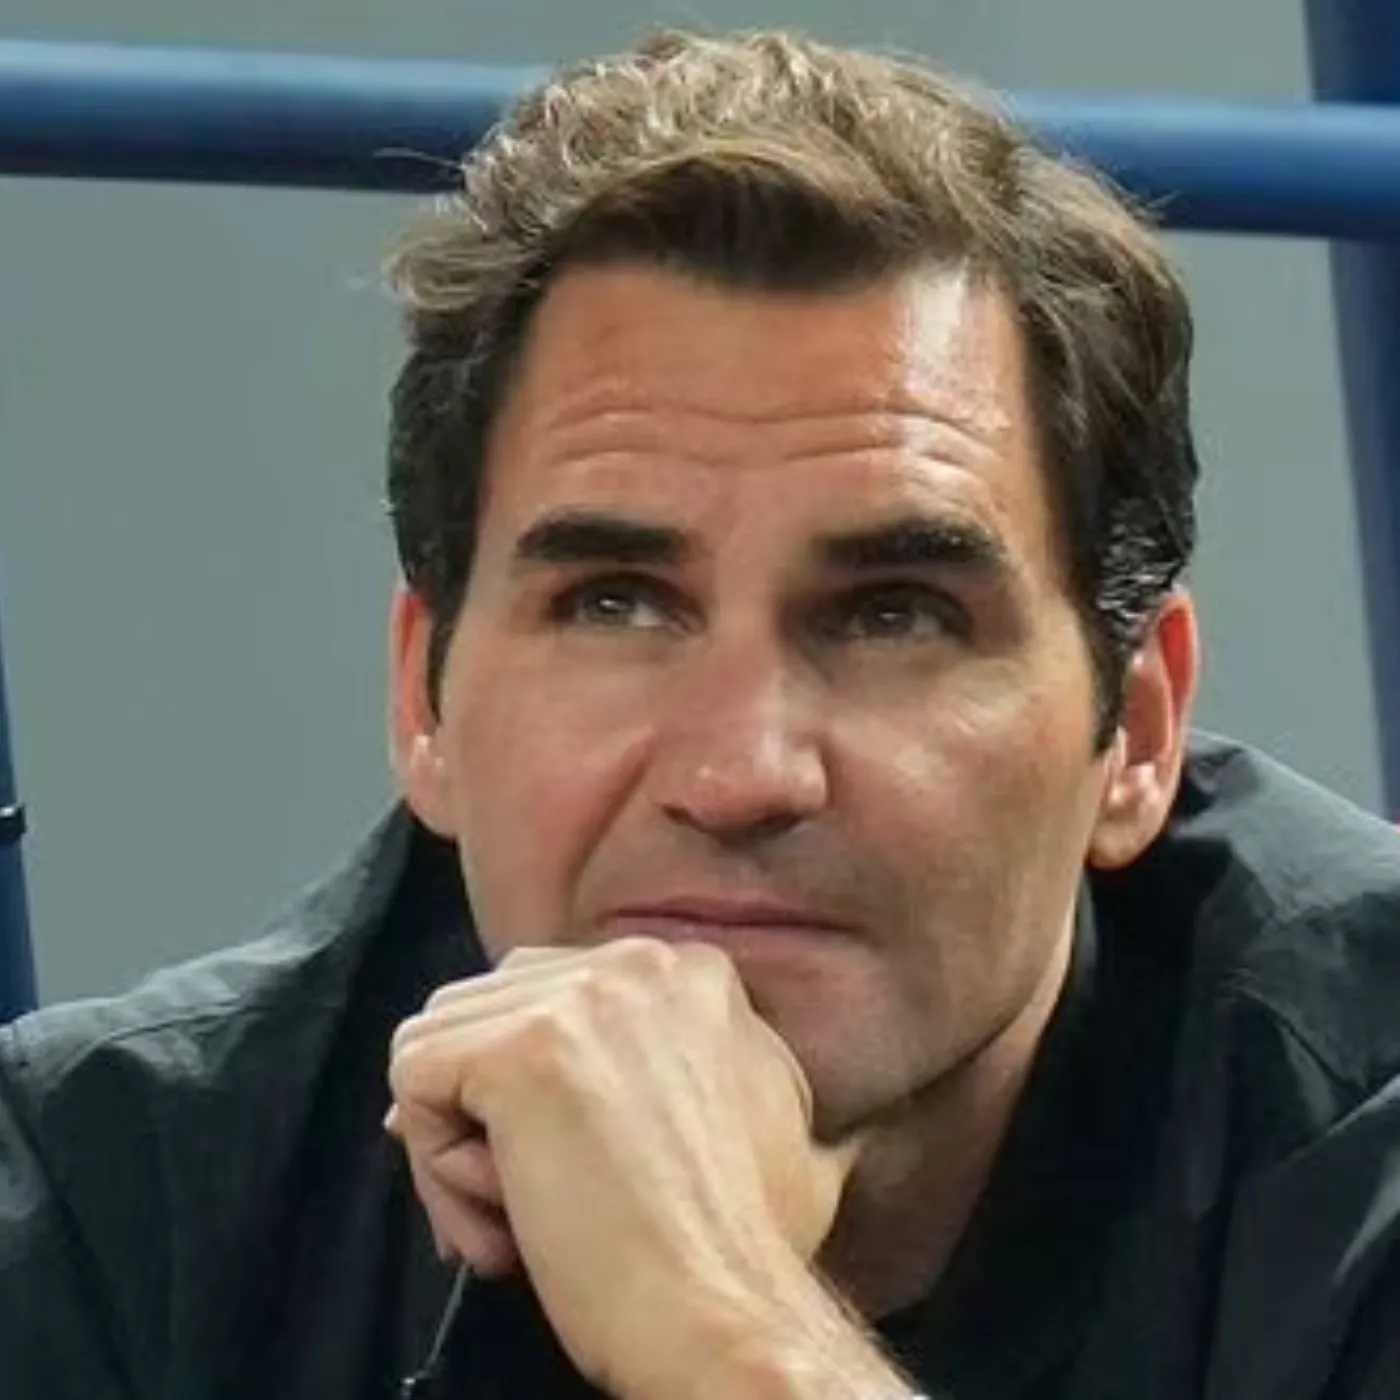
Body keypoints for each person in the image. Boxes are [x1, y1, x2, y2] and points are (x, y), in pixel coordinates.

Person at [2, 27, 1398, 1400]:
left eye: (895, 615)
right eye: (614, 604)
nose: (740, 773)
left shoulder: (1363, 1154)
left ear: (1135, 733)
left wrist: (721, 1322)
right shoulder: (117, 1207)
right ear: (424, 700)